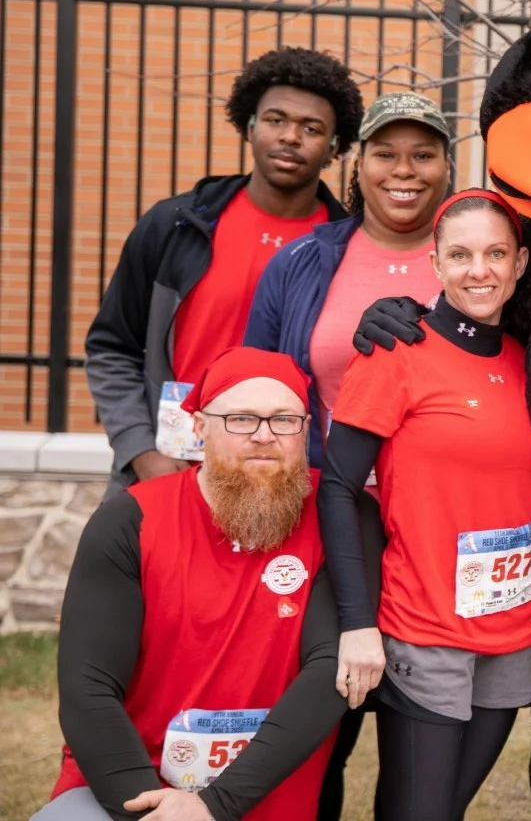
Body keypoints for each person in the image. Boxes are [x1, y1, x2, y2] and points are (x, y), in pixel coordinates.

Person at [243, 90, 451, 820]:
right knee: (313, 738)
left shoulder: (476, 263)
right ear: (357, 164)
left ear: (448, 168)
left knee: (422, 755)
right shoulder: (304, 262)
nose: (405, 171)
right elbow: (259, 388)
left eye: (423, 154)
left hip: (434, 538)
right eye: (386, 153)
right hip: (326, 528)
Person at [37, 347, 345, 821]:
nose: (264, 436)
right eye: (241, 419)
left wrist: (214, 808)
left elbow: (329, 674)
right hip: (128, 788)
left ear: (306, 429)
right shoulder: (130, 521)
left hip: (264, 796)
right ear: (200, 427)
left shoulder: (338, 518)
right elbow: (88, 688)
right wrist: (156, 810)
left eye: (285, 420)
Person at [317, 189, 531, 821]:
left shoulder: (530, 364)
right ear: (435, 265)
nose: (480, 271)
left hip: (511, 631)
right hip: (424, 629)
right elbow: (337, 486)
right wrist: (358, 625)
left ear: (520, 264)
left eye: (496, 253)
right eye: (462, 255)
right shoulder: (396, 353)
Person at [85, 48, 363, 496]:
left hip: (285, 480)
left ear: (335, 146)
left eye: (311, 129)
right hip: (168, 469)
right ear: (250, 125)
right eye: (275, 120)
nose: (290, 137)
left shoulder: (349, 247)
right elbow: (112, 347)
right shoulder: (177, 226)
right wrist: (142, 453)